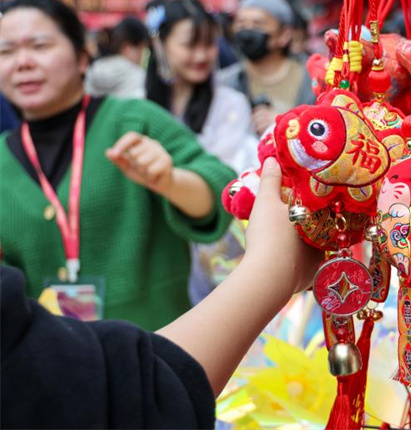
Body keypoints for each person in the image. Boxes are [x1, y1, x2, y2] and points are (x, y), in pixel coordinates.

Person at [1, 158, 323, 428]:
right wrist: (274, 267)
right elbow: (115, 402)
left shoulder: (133, 118)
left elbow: (214, 185)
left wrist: (171, 181)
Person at [0, 0, 236, 330]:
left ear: (83, 56)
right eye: (6, 51)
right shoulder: (3, 157)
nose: (23, 62)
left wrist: (171, 181)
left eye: (39, 46)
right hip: (51, 368)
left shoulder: (134, 120)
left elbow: (221, 192)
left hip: (157, 352)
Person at [145, 0, 258, 302]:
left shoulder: (230, 103)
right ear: (160, 44)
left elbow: (228, 176)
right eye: (190, 45)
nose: (202, 55)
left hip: (216, 246)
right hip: (156, 244)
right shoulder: (137, 107)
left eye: (209, 45)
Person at [220, 0, 314, 135]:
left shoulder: (314, 79)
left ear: (284, 35)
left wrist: (287, 126)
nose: (247, 31)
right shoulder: (224, 82)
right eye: (241, 24)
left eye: (258, 25)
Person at [85, 16, 148, 98]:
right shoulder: (136, 76)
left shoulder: (92, 71)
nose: (141, 57)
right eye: (141, 50)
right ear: (127, 48)